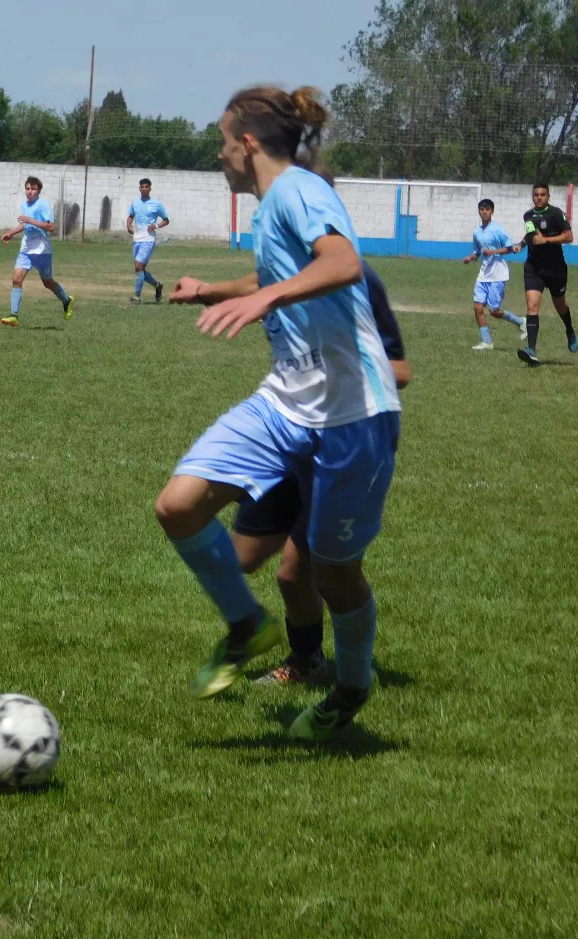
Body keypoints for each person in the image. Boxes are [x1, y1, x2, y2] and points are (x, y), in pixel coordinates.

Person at [160, 85, 401, 741]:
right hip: (286, 399)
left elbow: (343, 261)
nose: (218, 157)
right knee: (179, 505)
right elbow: (273, 272)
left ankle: (349, 691)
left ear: (246, 143)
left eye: (220, 142)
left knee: (332, 571)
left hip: (352, 413)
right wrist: (215, 288)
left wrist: (266, 303)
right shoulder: (271, 209)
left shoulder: (300, 189)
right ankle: (247, 624)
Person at [234, 260, 411, 687]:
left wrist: (338, 373)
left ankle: (316, 664)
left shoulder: (358, 278)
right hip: (287, 435)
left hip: (343, 443)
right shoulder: (278, 270)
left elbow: (400, 370)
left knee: (300, 573)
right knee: (244, 557)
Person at [513, 183, 577, 366]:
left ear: (548, 196)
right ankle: (531, 350)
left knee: (560, 306)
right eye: (536, 195)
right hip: (533, 268)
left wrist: (546, 240)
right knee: (532, 307)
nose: (539, 197)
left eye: (542, 195)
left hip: (555, 269)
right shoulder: (528, 215)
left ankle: (569, 329)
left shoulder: (556, 214)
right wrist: (521, 243)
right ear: (532, 197)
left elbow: (569, 236)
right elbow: (531, 234)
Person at [0, 176, 75, 328]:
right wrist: (11, 233)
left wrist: (30, 220)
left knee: (47, 282)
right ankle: (14, 315)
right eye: (27, 188)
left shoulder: (43, 205)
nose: (30, 192)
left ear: (39, 191)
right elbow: (24, 225)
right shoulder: (24, 205)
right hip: (26, 249)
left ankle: (67, 300)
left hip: (42, 250)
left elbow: (50, 227)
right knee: (16, 280)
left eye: (33, 189)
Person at [462, 199, 526, 350]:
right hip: (484, 273)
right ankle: (487, 342)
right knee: (477, 307)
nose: (484, 212)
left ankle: (521, 322)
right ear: (478, 211)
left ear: (492, 211)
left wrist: (493, 251)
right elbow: (477, 252)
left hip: (498, 273)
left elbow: (510, 248)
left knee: (494, 311)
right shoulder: (477, 232)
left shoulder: (498, 230)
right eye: (482, 209)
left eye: (487, 209)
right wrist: (470, 258)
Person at [126, 178, 170, 304]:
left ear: (150, 188)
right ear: (139, 188)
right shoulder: (135, 203)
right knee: (140, 269)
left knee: (138, 266)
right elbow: (130, 216)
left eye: (146, 187)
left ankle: (136, 297)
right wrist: (128, 226)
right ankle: (157, 285)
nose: (144, 189)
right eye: (142, 187)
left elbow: (166, 220)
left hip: (148, 239)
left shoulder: (156, 204)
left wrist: (155, 226)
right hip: (137, 239)